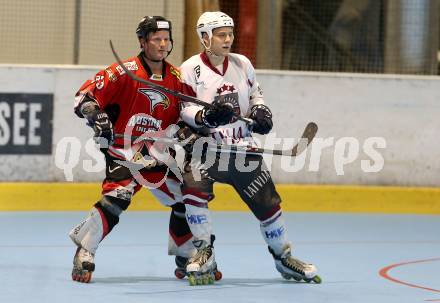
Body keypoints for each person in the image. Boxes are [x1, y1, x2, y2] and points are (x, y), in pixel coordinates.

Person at [178, 11, 321, 285]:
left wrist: (260, 112)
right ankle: (203, 252)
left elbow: (256, 94)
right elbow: (185, 108)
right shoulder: (189, 68)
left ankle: (284, 257)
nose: (228, 39)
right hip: (207, 149)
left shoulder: (242, 64)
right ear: (205, 38)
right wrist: (205, 117)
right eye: (221, 35)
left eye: (230, 34)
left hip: (243, 150)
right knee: (193, 190)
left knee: (268, 205)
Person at [69, 16, 197, 283]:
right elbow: (84, 97)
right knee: (118, 197)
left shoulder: (176, 77)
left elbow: (187, 113)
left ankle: (186, 254)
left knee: (186, 197)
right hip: (123, 149)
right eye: (156, 39)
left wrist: (189, 129)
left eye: (166, 39)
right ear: (142, 41)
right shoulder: (122, 71)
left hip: (159, 152)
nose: (162, 45)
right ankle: (85, 250)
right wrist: (95, 114)